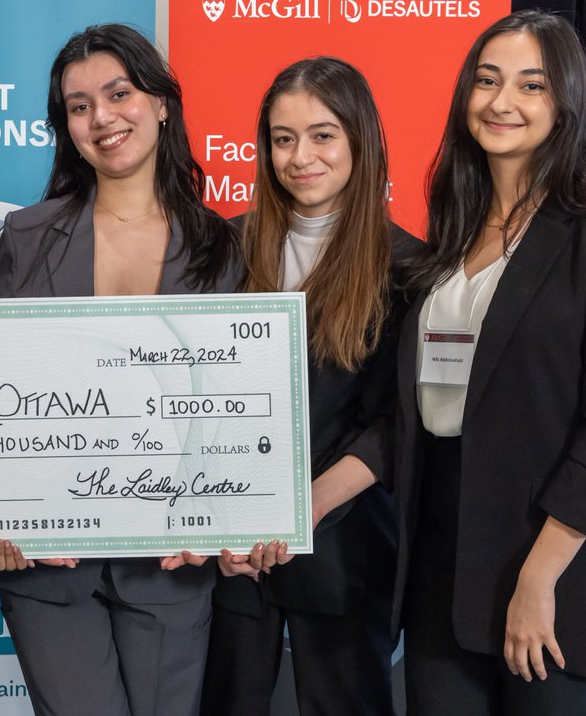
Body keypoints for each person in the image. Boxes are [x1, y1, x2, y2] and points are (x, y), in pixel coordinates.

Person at [395, 10, 586, 715]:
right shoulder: (450, 232)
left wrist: (537, 577)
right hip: (441, 563)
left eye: (531, 85)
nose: (501, 102)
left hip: (554, 567)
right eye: (487, 80)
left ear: (567, 103)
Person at [0, 23, 241, 716]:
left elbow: (236, 398)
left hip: (172, 563)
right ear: (65, 126)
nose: (102, 117)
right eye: (78, 105)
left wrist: (229, 517)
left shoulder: (225, 244)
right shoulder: (27, 236)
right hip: (48, 563)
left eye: (119, 93)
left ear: (160, 103)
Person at [201, 57, 416, 716]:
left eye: (322, 135)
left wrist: (303, 509)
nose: (300, 156)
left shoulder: (408, 266)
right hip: (235, 552)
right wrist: (215, 525)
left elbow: (397, 422)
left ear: (360, 138)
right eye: (283, 138)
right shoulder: (223, 249)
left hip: (346, 544)